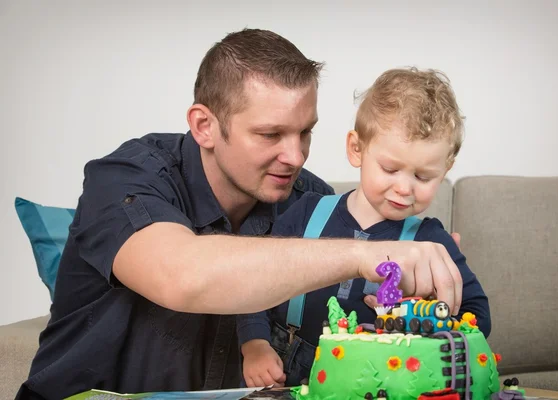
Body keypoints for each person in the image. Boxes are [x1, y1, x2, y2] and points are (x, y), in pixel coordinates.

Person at [16, 29, 465, 400]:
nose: (295, 156)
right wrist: (364, 254)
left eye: (305, 132)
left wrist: (406, 301)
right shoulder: (125, 177)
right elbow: (182, 276)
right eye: (270, 134)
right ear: (204, 126)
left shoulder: (311, 201)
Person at [237, 68, 491, 388]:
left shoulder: (431, 242)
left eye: (423, 177)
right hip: (287, 364)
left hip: (379, 378)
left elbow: (477, 316)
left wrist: (421, 314)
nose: (403, 188)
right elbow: (252, 282)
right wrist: (254, 345)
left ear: (446, 169)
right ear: (357, 149)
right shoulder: (307, 212)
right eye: (390, 168)